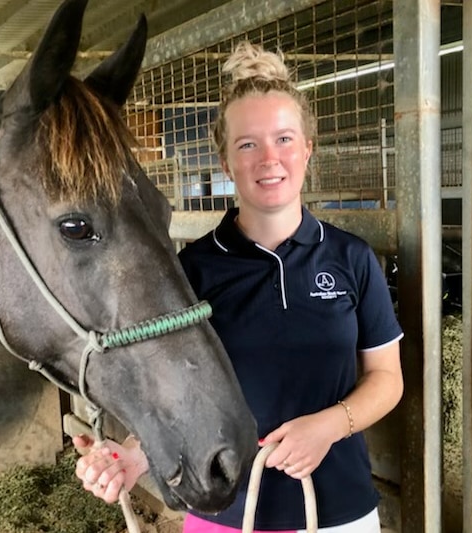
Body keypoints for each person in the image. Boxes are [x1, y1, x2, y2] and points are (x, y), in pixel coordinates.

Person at [73, 41, 404, 533]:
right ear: (226, 163)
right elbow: (177, 392)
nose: (269, 158)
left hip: (340, 510)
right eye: (248, 144)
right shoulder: (194, 269)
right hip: (226, 511)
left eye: (285, 139)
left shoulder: (351, 259)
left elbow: (386, 378)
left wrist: (327, 427)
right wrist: (135, 457)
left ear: (308, 149)